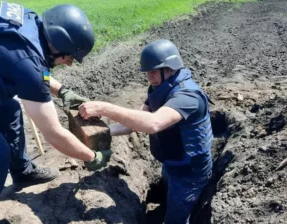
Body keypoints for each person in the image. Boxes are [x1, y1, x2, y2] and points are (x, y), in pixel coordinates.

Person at [0, 3, 111, 224]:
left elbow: (31, 65)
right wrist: (92, 157)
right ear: (58, 45)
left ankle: (22, 172)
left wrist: (62, 90)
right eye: (69, 57)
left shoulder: (29, 22)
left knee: (10, 110)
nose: (69, 64)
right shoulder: (27, 63)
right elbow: (53, 133)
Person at [79, 39, 213, 224]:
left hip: (190, 172)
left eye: (153, 71)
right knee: (169, 189)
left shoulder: (188, 96)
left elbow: (153, 124)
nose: (149, 76)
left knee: (176, 217)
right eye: (147, 72)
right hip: (173, 161)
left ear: (170, 68)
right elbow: (132, 125)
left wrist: (104, 108)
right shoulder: (159, 89)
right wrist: (101, 131)